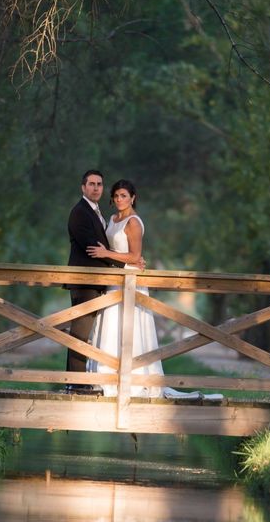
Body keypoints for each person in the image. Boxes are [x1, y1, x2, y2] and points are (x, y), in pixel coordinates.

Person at [86, 180, 214, 399]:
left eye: (124, 196)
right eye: (116, 196)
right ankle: (106, 376)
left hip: (130, 279)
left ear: (133, 197)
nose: (119, 200)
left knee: (130, 326)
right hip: (114, 277)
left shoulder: (134, 222)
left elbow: (134, 257)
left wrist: (107, 255)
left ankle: (135, 379)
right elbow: (117, 249)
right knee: (111, 323)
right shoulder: (113, 219)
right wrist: (110, 256)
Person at [64, 170, 123, 395]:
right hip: (84, 282)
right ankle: (75, 383)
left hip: (95, 281)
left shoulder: (96, 211)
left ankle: (78, 380)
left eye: (99, 184)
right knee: (79, 332)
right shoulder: (79, 212)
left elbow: (101, 248)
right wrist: (124, 263)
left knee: (84, 331)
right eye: (91, 184)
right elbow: (93, 248)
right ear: (83, 187)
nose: (96, 188)